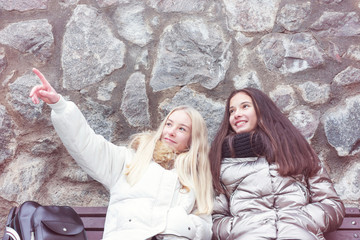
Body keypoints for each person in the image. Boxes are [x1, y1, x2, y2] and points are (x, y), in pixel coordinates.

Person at [29, 68, 214, 240]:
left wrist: (174, 223)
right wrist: (60, 106)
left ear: (193, 139)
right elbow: (86, 144)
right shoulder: (130, 160)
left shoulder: (196, 178)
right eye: (168, 123)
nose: (171, 131)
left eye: (182, 128)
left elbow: (205, 227)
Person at [209, 88, 345, 240]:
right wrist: (240, 226)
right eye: (231, 111)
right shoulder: (221, 161)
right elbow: (216, 218)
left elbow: (331, 204)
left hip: (297, 234)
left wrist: (304, 218)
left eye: (245, 106)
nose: (237, 114)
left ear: (262, 110)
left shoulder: (298, 150)